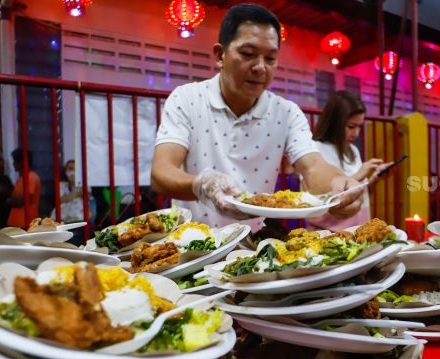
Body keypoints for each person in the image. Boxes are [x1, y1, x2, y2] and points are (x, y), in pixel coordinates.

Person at [151, 3, 363, 230]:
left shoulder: (287, 112)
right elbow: (161, 173)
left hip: (251, 244)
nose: (260, 67)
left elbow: (312, 166)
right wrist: (203, 185)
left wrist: (339, 185)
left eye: (270, 59)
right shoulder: (187, 98)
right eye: (248, 54)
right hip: (191, 240)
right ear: (220, 55)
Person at [305, 91, 390, 231]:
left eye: (359, 127)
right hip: (327, 233)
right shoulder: (314, 150)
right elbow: (319, 198)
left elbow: (358, 195)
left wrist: (375, 179)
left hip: (358, 229)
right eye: (351, 126)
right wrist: (360, 174)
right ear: (334, 123)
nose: (356, 133)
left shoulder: (353, 151)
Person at [6, 148, 41, 228]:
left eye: (15, 161)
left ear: (22, 162)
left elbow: (21, 200)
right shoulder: (23, 178)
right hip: (19, 222)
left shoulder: (30, 177)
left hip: (25, 223)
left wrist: (7, 201)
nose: (13, 164)